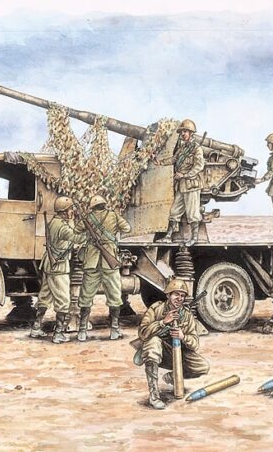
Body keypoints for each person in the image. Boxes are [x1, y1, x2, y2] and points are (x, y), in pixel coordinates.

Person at [137, 278, 210, 409]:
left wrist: (183, 337)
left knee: (202, 366)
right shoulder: (156, 309)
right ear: (168, 295)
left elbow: (195, 344)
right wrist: (163, 322)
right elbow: (142, 333)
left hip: (177, 351)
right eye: (176, 294)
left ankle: (173, 377)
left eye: (182, 296)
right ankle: (154, 395)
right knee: (153, 344)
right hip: (158, 349)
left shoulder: (187, 315)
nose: (179, 298)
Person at [75, 195, 132, 341]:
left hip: (91, 261)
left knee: (86, 296)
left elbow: (76, 230)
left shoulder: (88, 217)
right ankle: (114, 330)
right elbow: (127, 228)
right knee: (115, 296)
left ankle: (82, 331)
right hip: (109, 261)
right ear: (104, 204)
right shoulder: (113, 215)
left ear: (92, 206)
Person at [31, 196, 86, 344]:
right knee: (64, 301)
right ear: (64, 211)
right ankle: (58, 333)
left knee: (44, 297)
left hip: (49, 265)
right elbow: (78, 238)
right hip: (59, 267)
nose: (72, 211)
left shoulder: (54, 223)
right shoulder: (62, 227)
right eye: (70, 209)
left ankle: (36, 327)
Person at [157, 119, 205, 246]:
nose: (183, 134)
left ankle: (194, 238)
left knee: (193, 213)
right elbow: (174, 159)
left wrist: (184, 175)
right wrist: (160, 162)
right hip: (182, 185)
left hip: (191, 185)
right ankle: (168, 236)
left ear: (191, 133)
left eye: (185, 131)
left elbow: (199, 166)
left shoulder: (197, 148)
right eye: (182, 132)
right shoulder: (183, 148)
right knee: (174, 212)